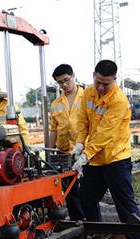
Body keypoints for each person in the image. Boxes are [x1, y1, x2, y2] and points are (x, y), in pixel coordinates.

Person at [73, 60, 140, 239]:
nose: (100, 87)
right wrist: (80, 143)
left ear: (114, 80)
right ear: (93, 75)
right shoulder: (88, 93)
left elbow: (105, 133)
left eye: (105, 84)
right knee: (86, 197)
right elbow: (82, 121)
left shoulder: (119, 101)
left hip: (116, 158)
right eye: (98, 82)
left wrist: (85, 154)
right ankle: (97, 236)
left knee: (125, 204)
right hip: (96, 160)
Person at [49, 64, 86, 220]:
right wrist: (49, 152)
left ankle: (90, 222)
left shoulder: (87, 97)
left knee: (87, 191)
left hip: (85, 152)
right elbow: (54, 130)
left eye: (66, 80)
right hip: (65, 153)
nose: (64, 85)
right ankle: (77, 222)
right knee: (70, 192)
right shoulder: (56, 104)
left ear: (73, 76)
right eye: (60, 82)